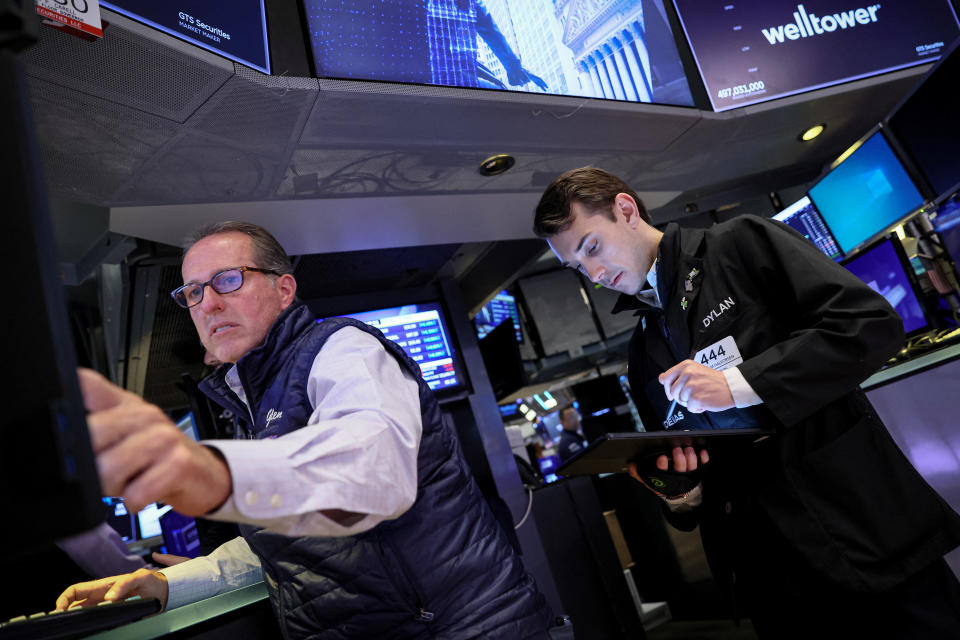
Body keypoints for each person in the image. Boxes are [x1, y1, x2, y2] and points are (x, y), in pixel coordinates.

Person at [56, 222, 554, 639]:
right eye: (192, 291)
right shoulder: (251, 402)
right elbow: (284, 545)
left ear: (284, 288)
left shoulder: (342, 350)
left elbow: (373, 472)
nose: (207, 304)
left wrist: (213, 473)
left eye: (228, 280)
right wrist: (168, 584)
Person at [532, 166, 960, 638]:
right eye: (577, 267)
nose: (594, 274)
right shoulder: (642, 349)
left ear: (626, 211)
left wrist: (737, 384)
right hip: (768, 576)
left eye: (592, 247)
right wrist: (681, 494)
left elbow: (870, 324)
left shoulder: (740, 245)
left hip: (860, 535)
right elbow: (685, 473)